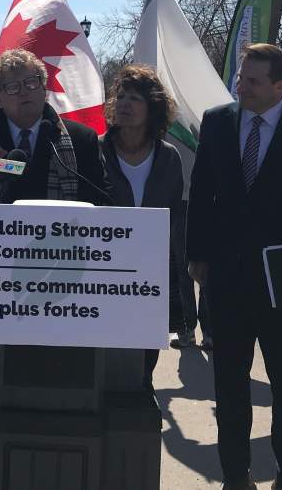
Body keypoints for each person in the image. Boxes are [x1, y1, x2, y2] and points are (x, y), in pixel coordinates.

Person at [187, 43, 282, 490]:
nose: (242, 86)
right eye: (240, 77)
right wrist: (197, 256)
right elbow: (201, 195)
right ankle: (236, 474)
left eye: (253, 80)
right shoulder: (217, 123)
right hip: (227, 281)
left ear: (280, 85)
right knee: (229, 385)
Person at [0, 48, 110, 206]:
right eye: (12, 87)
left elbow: (104, 201)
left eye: (31, 82)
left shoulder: (81, 139)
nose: (24, 91)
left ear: (44, 90)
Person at [100, 64, 184, 384]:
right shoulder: (96, 150)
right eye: (120, 97)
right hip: (103, 278)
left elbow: (172, 223)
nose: (124, 104)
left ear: (153, 109)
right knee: (106, 367)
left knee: (143, 369)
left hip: (150, 280)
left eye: (134, 98)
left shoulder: (169, 158)